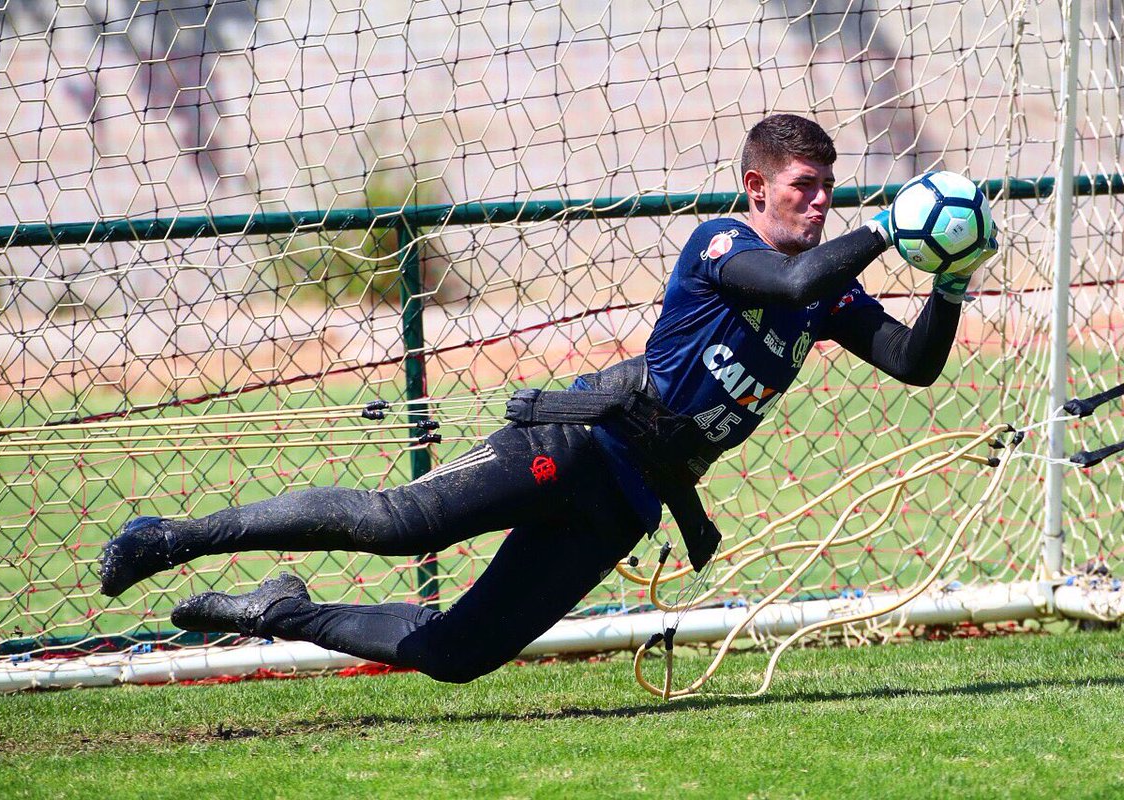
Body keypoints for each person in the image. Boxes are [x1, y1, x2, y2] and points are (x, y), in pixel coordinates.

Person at [98, 113, 997, 684]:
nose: (822, 202)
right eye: (805, 189)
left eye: (831, 191)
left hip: (627, 500)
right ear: (758, 188)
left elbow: (913, 364)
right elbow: (792, 285)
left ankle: (276, 610)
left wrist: (950, 283)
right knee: (397, 524)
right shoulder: (724, 244)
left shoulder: (832, 290)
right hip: (583, 443)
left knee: (456, 656)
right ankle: (171, 539)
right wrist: (889, 227)